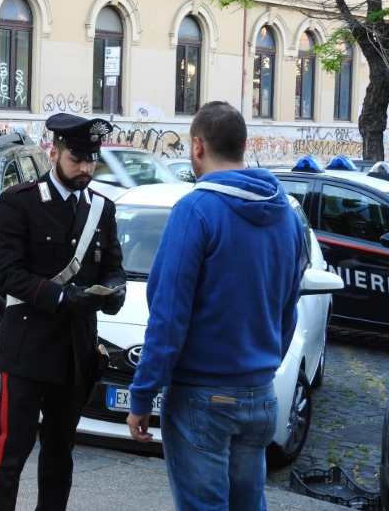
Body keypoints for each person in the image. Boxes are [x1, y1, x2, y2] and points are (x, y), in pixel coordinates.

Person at [126, 101, 305, 511]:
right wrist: (263, 365)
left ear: (197, 146)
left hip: (201, 396)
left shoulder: (196, 209)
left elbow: (169, 315)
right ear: (243, 145)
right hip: (259, 393)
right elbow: (288, 304)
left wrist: (142, 396)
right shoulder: (286, 214)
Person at [0, 113, 126, 511]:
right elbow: (8, 274)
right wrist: (63, 299)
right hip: (28, 350)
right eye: (76, 159)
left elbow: (112, 264)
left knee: (60, 456)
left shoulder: (102, 209)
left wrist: (115, 290)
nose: (85, 169)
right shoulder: (19, 203)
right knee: (10, 455)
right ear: (54, 152)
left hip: (74, 353)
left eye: (91, 161)